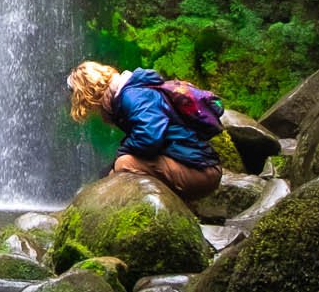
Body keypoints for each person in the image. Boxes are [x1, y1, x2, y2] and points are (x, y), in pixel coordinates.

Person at [66, 59, 223, 202]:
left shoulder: (132, 95)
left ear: (87, 91)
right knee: (114, 169)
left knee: (123, 164)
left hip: (202, 173)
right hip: (195, 167)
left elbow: (150, 136)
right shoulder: (130, 92)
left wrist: (120, 155)